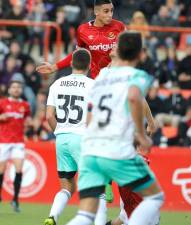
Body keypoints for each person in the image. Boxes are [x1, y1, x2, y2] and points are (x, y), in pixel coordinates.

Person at [66, 31, 164, 225]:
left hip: (92, 149)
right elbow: (135, 98)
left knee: (85, 214)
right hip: (117, 149)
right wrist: (141, 132)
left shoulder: (102, 76)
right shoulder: (135, 75)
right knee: (155, 197)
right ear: (139, 54)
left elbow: (91, 113)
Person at [44, 49, 94, 225]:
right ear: (89, 65)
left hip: (62, 138)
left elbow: (49, 115)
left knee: (67, 187)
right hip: (82, 138)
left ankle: (52, 217)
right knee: (95, 186)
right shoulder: (93, 85)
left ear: (72, 63)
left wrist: (60, 131)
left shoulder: (57, 84)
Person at [36, 0, 126, 79]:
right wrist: (54, 67)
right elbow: (78, 53)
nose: (110, 15)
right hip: (97, 80)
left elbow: (129, 49)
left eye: (111, 11)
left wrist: (118, 59)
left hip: (117, 77)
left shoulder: (119, 26)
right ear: (96, 11)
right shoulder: (83, 30)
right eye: (106, 11)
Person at [0, 80, 31, 213]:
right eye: (13, 87)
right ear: (9, 90)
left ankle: (15, 199)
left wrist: (29, 124)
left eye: (18, 87)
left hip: (18, 142)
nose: (16, 89)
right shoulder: (2, 103)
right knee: (0, 171)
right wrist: (0, 117)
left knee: (18, 170)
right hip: (4, 142)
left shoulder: (25, 105)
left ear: (21, 90)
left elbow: (27, 120)